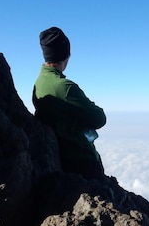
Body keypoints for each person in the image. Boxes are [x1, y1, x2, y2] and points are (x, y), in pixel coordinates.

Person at [32, 27, 107, 180]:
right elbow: (99, 119)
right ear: (65, 56)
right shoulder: (65, 87)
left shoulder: (39, 83)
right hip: (80, 159)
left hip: (60, 156)